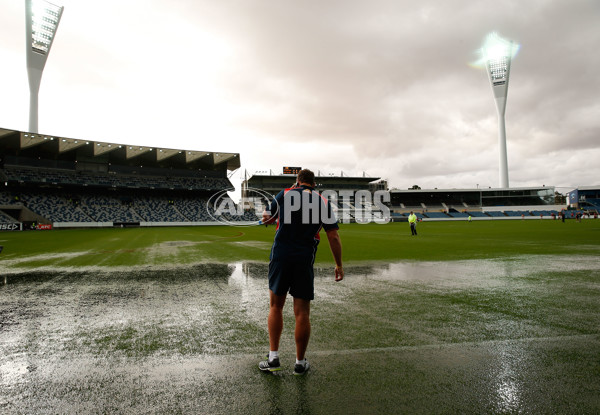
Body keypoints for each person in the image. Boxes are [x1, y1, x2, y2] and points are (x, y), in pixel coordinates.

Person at [259, 169, 343, 376]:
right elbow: (333, 236)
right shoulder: (322, 201)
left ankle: (273, 358)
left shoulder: (285, 193)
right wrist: (338, 264)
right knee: (302, 312)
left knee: (276, 306)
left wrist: (265, 218)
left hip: (280, 256)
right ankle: (299, 362)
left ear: (298, 181)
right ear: (314, 183)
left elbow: (268, 219)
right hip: (304, 258)